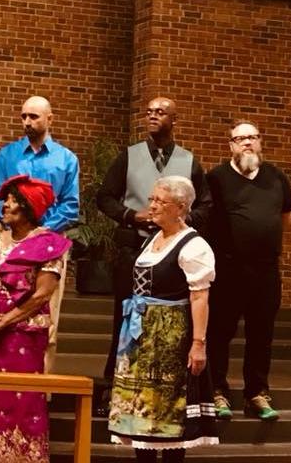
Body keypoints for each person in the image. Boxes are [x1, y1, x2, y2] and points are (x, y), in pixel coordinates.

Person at [95, 96, 211, 415]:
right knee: (125, 321)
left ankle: (161, 390)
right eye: (149, 112)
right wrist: (132, 216)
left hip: (172, 255)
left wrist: (182, 223)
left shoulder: (189, 161)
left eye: (161, 112)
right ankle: (113, 389)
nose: (153, 116)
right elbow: (104, 197)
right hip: (134, 250)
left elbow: (206, 205)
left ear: (174, 120)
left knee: (166, 324)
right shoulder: (129, 157)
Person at [0, 175, 72, 463]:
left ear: (29, 208)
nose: (5, 206)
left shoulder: (48, 244)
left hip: (23, 330)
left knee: (20, 399)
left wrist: (6, 320)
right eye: (6, 200)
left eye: (12, 201)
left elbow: (41, 295)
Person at [108, 176, 218, 462]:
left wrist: (198, 343)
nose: (152, 206)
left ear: (181, 207)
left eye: (160, 201)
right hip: (141, 334)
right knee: (139, 414)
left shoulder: (194, 246)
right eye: (152, 199)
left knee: (169, 413)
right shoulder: (155, 238)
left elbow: (200, 297)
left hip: (169, 336)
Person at [206, 121, 291, 421]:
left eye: (252, 137)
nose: (246, 143)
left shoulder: (276, 177)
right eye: (240, 139)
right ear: (230, 145)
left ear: (260, 142)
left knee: (262, 334)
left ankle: (256, 393)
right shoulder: (217, 178)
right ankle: (217, 391)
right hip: (228, 270)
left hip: (266, 271)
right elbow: (206, 221)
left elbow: (285, 216)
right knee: (219, 332)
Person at [0, 96, 79, 357]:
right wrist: (19, 229)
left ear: (50, 119)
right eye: (23, 116)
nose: (27, 122)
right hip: (12, 239)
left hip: (49, 241)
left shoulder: (66, 159)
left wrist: (39, 232)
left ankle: (42, 392)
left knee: (47, 317)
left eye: (34, 116)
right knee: (5, 308)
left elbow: (70, 205)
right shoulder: (8, 155)